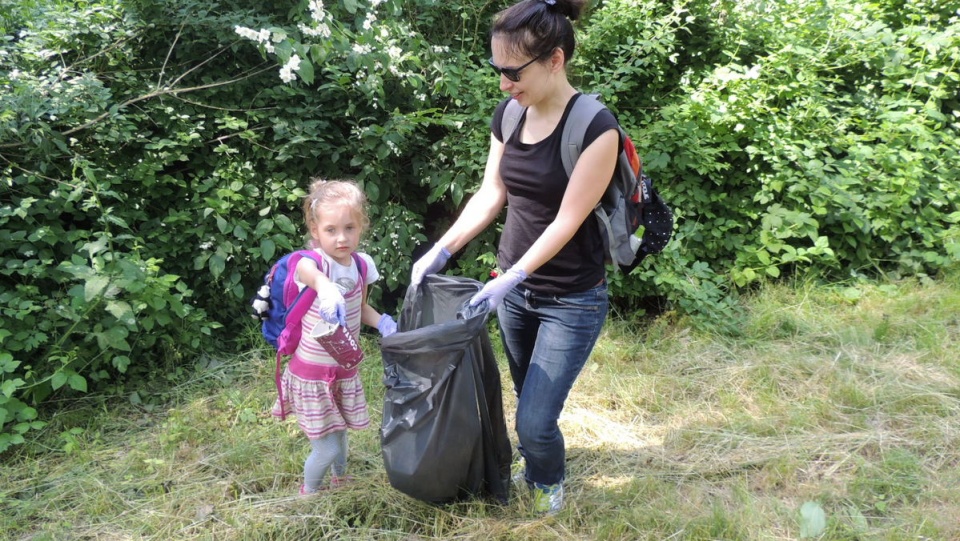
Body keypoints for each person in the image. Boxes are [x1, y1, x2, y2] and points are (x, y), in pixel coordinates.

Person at [409, 0, 619, 515]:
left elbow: (568, 221)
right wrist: (441, 250)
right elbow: (490, 193)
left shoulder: (596, 129)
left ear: (555, 60)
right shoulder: (508, 113)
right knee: (526, 396)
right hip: (515, 292)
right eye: (497, 70)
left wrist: (514, 275)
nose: (503, 83)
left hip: (572, 298)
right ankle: (536, 459)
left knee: (534, 420)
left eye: (512, 72)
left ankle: (547, 482)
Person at [273, 179, 398, 495]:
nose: (341, 238)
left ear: (361, 226)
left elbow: (362, 306)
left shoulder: (361, 264)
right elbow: (305, 273)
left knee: (341, 436)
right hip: (313, 375)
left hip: (343, 370)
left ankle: (341, 481)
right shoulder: (314, 262)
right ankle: (309, 496)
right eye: (331, 230)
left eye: (349, 228)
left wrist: (382, 321)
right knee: (326, 448)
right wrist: (325, 287)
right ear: (315, 230)